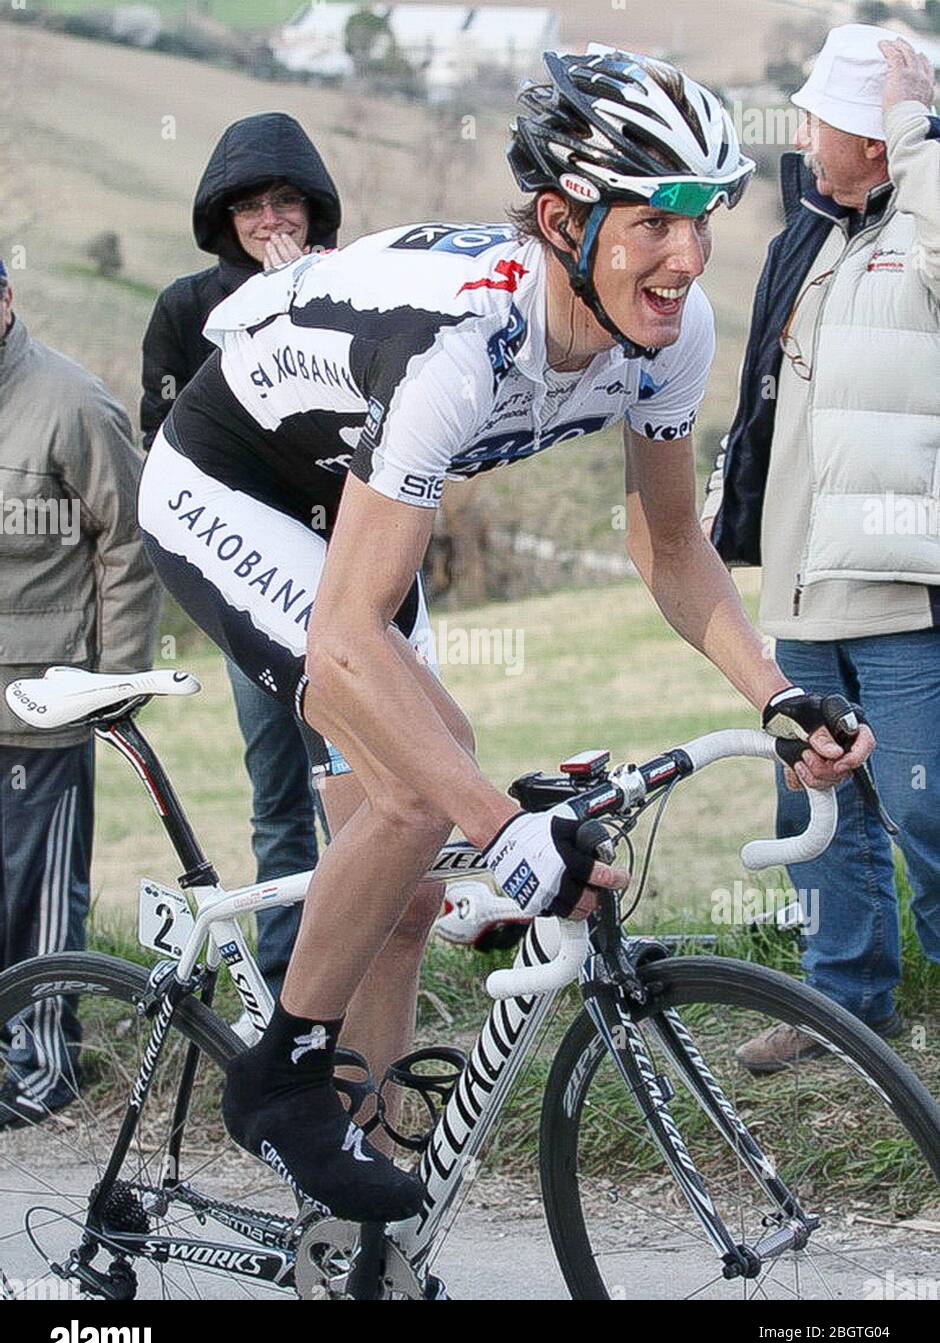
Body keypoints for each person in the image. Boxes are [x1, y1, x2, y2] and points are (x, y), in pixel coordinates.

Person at [138, 46, 872, 1223]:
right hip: (231, 483)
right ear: (558, 216)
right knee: (426, 788)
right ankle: (281, 1077)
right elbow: (340, 643)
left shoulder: (666, 331)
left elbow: (671, 549)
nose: (686, 257)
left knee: (415, 868)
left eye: (703, 217)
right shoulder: (461, 344)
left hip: (355, 491)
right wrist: (507, 832)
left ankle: (361, 1168)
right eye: (653, 220)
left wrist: (774, 696)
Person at [702, 26, 940, 1072]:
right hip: (803, 585)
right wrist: (727, 495)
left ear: (879, 143)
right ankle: (841, 1008)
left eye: (819, 122)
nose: (798, 139)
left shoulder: (921, 224)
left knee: (927, 811)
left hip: (897, 584)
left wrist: (913, 125)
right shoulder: (806, 238)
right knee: (814, 803)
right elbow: (767, 397)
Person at [141, 113, 342, 1001]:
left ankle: (357, 974)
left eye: (286, 201)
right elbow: (166, 453)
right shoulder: (188, 311)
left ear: (312, 207)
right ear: (226, 216)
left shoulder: (350, 290)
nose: (272, 220)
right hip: (252, 583)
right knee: (279, 797)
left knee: (362, 788)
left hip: (351, 578)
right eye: (253, 206)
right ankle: (283, 985)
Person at [0, 259, 160, 1129]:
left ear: (7, 296)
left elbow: (131, 542)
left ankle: (45, 1069)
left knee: (38, 897)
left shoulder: (71, 403)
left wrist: (112, 685)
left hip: (42, 701)